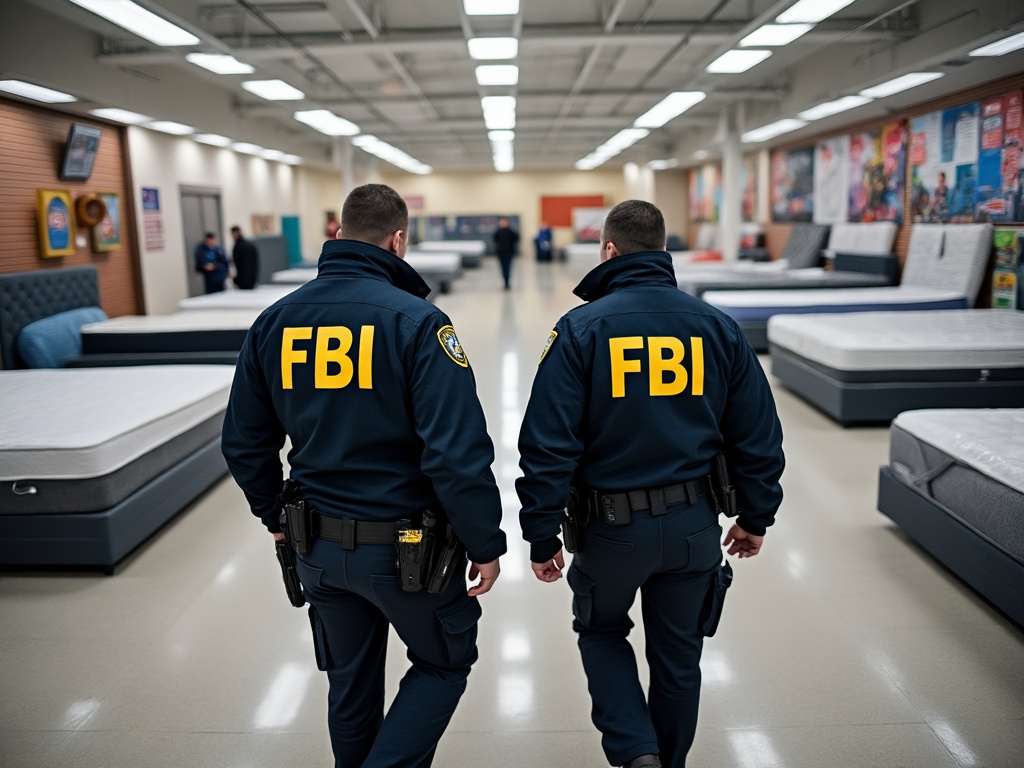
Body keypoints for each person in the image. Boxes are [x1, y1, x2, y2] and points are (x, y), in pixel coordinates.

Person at [222, 184, 506, 768]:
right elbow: (455, 455)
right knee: (444, 662)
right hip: (411, 552)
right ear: (398, 241)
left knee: (350, 681)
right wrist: (484, 541)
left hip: (317, 548)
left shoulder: (274, 321)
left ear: (337, 233)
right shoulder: (420, 323)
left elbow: (244, 441)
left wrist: (274, 514)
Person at [517, 200, 784, 768]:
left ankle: (637, 753)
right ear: (664, 251)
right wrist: (756, 515)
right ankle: (669, 760)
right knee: (679, 656)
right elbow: (759, 435)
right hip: (694, 527)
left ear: (609, 250)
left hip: (609, 530)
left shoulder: (580, 329)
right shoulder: (718, 327)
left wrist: (541, 533)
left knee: (601, 632)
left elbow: (547, 445)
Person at [230, 225, 260, 290]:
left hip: (243, 280)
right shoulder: (250, 245)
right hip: (252, 278)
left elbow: (238, 264)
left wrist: (237, 279)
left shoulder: (239, 246)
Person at [493, 217, 519, 290]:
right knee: (502, 268)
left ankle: (507, 282)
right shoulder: (498, 231)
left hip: (509, 253)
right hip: (501, 253)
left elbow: (516, 238)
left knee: (508, 268)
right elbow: (495, 240)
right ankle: (505, 281)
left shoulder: (510, 231)